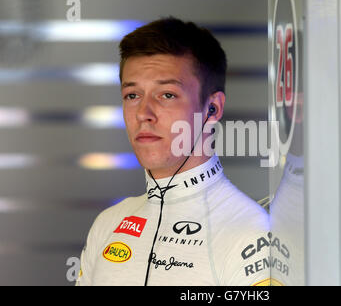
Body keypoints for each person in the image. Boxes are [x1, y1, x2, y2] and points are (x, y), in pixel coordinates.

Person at [76, 17, 270, 286]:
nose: (144, 114)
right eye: (133, 95)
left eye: (166, 95)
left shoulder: (251, 235)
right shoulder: (108, 224)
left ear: (212, 108)